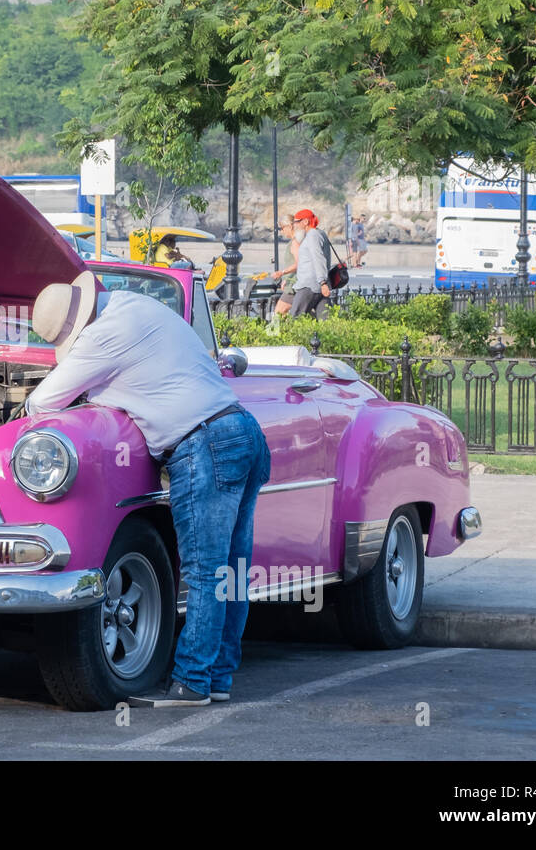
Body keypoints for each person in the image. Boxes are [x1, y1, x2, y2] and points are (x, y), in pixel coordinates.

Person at [26, 271, 271, 706]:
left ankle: (193, 681)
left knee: (201, 571)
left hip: (203, 443)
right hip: (241, 430)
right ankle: (217, 675)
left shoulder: (101, 337)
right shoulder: (135, 306)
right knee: (229, 570)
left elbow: (44, 402)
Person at [290, 208, 332, 318]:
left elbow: (318, 258)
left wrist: (322, 282)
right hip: (317, 284)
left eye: (297, 222)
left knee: (295, 318)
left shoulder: (313, 235)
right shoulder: (319, 233)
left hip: (309, 285)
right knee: (326, 323)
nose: (295, 225)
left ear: (305, 222)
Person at [270, 217, 301, 315]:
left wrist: (282, 273)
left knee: (279, 313)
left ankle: (276, 330)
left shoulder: (295, 242)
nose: (282, 232)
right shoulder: (296, 241)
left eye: (282, 228)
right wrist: (285, 279)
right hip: (293, 282)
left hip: (294, 284)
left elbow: (299, 264)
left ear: (290, 226)